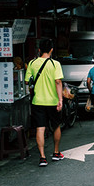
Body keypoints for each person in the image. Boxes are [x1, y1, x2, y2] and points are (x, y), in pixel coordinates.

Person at [24, 37, 64, 167]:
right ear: (51, 50)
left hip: (38, 101)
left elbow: (26, 81)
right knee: (56, 126)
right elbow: (58, 82)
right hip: (52, 101)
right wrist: (60, 100)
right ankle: (56, 152)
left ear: (39, 49)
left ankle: (42, 157)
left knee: (40, 128)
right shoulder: (55, 64)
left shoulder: (32, 63)